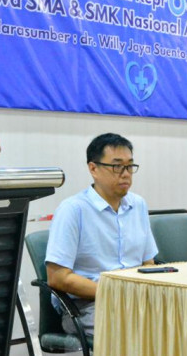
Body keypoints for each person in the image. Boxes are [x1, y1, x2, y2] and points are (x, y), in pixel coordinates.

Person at [45, 133, 157, 337]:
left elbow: (148, 263)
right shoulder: (73, 210)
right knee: (137, 331)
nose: (126, 174)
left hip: (135, 300)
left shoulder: (138, 205)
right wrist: (114, 293)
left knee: (180, 321)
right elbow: (58, 277)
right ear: (93, 169)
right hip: (87, 305)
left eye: (130, 166)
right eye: (117, 166)